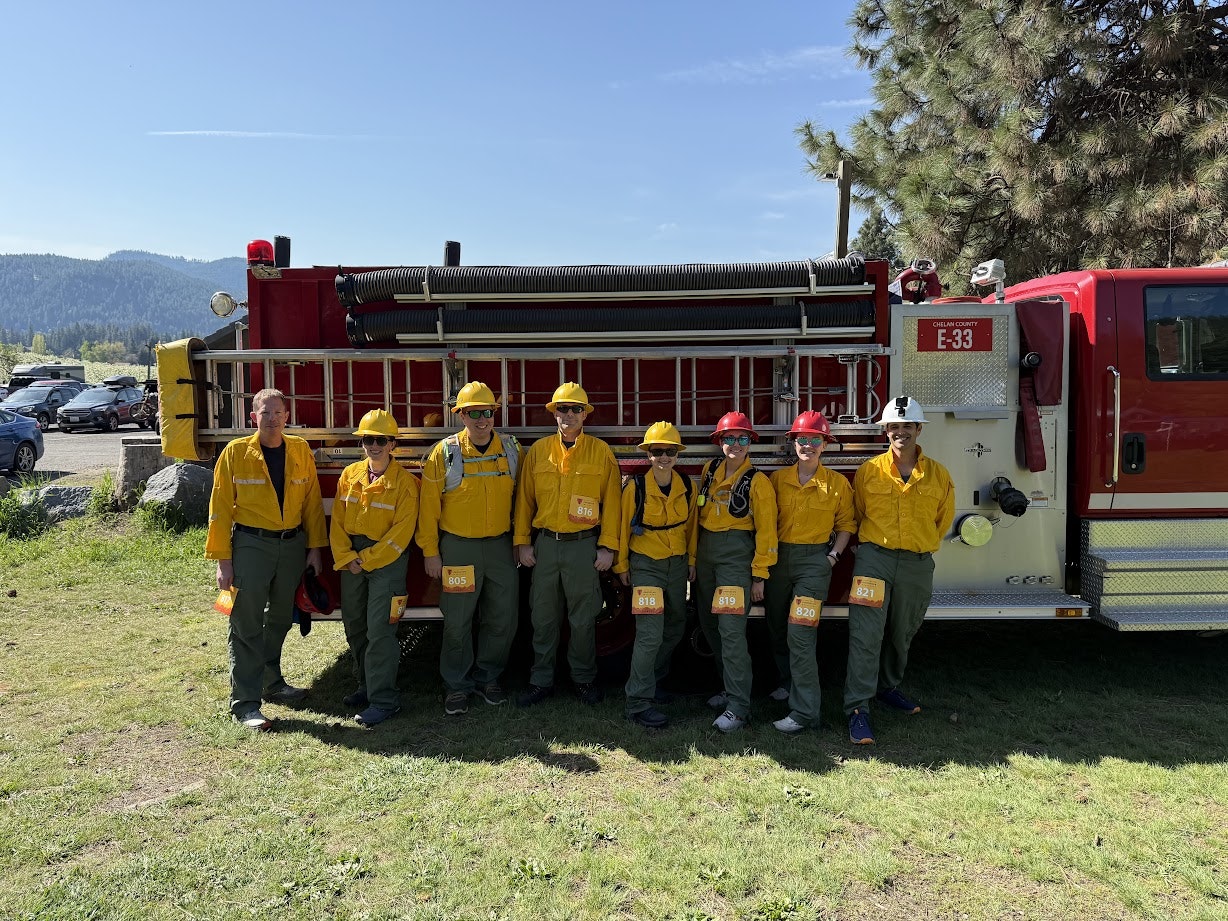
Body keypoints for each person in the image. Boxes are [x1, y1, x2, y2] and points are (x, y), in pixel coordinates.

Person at [205, 387, 327, 731]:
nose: (271, 419)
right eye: (265, 412)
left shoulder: (301, 450)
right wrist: (222, 560)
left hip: (291, 546)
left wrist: (314, 548)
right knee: (245, 621)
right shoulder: (235, 453)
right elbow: (219, 508)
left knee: (280, 619)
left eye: (278, 412)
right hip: (250, 546)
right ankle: (246, 703)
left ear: (287, 417)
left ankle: (271, 681)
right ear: (252, 417)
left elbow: (312, 504)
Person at [844, 396, 955, 745]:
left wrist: (918, 546)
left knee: (903, 630)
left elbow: (943, 519)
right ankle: (857, 709)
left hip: (916, 563)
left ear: (919, 429)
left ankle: (887, 687)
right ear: (885, 432)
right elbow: (858, 512)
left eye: (907, 426)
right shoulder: (869, 471)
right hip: (874, 559)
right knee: (866, 635)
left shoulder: (938, 474)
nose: (900, 432)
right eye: (893, 426)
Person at [417, 382, 523, 716]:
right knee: (458, 621)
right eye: (474, 413)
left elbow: (525, 500)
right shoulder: (444, 452)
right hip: (459, 548)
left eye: (488, 412)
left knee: (502, 618)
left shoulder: (512, 449)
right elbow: (429, 508)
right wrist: (430, 552)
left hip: (500, 548)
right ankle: (457, 686)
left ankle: (487, 677)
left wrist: (521, 542)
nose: (482, 419)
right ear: (460, 415)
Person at [514, 382, 621, 706]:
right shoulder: (538, 452)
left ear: (585, 414)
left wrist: (608, 547)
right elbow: (525, 502)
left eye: (576, 409)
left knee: (583, 618)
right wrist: (522, 543)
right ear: (554, 413)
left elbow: (613, 504)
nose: (569, 414)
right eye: (563, 408)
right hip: (545, 545)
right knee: (543, 618)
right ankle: (541, 680)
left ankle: (584, 680)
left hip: (582, 547)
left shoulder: (600, 452)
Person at [765, 411, 855, 734]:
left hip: (814, 564)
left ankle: (804, 712)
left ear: (824, 445)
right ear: (794, 443)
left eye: (815, 440)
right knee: (776, 626)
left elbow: (846, 526)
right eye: (802, 439)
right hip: (779, 560)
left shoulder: (837, 485)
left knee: (800, 634)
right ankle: (789, 683)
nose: (808, 445)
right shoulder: (777, 481)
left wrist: (831, 558)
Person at [329, 409, 419, 727]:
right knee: (355, 626)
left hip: (386, 564)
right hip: (351, 558)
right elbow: (338, 522)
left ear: (393, 444)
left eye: (381, 440)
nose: (374, 445)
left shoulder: (407, 484)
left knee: (381, 631)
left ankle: (384, 700)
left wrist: (363, 560)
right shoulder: (349, 475)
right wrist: (345, 556)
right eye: (368, 439)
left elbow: (400, 536)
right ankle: (365, 686)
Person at [691, 411, 777, 732]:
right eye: (729, 438)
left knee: (731, 633)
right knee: (710, 625)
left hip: (734, 559)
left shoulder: (758, 483)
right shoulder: (710, 470)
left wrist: (759, 576)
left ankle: (739, 708)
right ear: (719, 441)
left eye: (742, 438)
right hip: (706, 555)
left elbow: (767, 533)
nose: (735, 444)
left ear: (750, 442)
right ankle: (728, 689)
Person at [615, 422, 697, 728]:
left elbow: (692, 528)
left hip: (676, 565)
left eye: (670, 451)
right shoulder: (635, 488)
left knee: (675, 626)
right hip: (646, 564)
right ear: (648, 454)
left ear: (677, 454)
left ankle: (653, 681)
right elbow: (623, 528)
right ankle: (637, 702)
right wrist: (622, 565)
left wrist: (691, 560)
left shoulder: (688, 486)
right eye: (658, 451)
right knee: (649, 634)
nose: (664, 456)